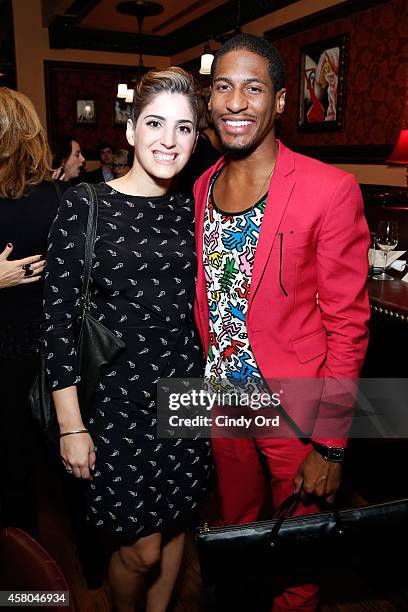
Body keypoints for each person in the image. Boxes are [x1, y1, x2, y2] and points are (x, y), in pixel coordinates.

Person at [193, 34, 370, 611]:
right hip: (223, 400)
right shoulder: (202, 184)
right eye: (223, 86)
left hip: (296, 409)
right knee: (234, 531)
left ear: (280, 101)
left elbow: (348, 328)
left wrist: (331, 443)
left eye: (253, 87)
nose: (235, 102)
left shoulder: (329, 189)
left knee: (300, 556)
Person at [43, 68, 211, 612]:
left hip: (187, 395)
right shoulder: (86, 205)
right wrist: (72, 426)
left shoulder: (197, 209)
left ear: (196, 136)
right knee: (139, 551)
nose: (168, 140)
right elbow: (58, 324)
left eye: (184, 128)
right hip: (117, 407)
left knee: (179, 524)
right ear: (132, 128)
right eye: (155, 123)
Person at [0, 87, 69, 537]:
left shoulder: (59, 199)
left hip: (29, 353)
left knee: (17, 463)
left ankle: (26, 576)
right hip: (45, 351)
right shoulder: (59, 198)